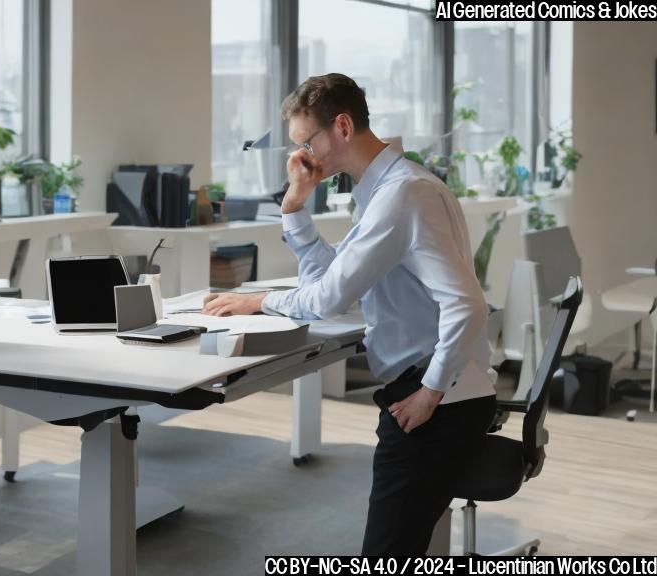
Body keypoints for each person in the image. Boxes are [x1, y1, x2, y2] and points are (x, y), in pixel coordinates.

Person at [202, 73, 497, 555]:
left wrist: (430, 393)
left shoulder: (402, 195)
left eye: (306, 142)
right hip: (439, 393)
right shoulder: (386, 191)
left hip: (435, 403)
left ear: (341, 126)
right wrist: (295, 206)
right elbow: (331, 279)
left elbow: (460, 303)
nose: (302, 157)